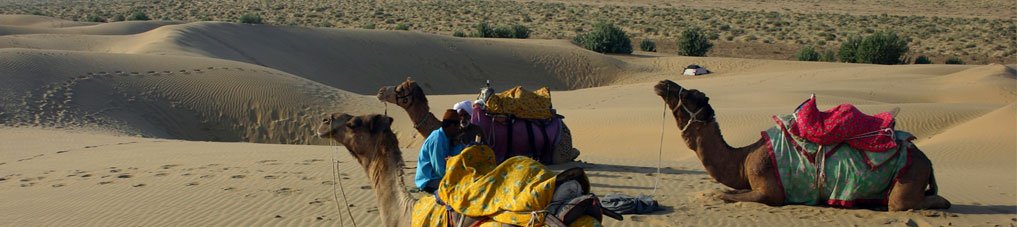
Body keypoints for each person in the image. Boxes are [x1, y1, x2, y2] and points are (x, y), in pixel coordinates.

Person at [414, 109, 467, 193]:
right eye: (457, 126)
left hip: (441, 176)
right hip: (429, 180)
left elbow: (453, 157)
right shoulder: (437, 139)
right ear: (452, 126)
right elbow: (439, 170)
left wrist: (457, 145)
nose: (458, 129)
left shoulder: (447, 137)